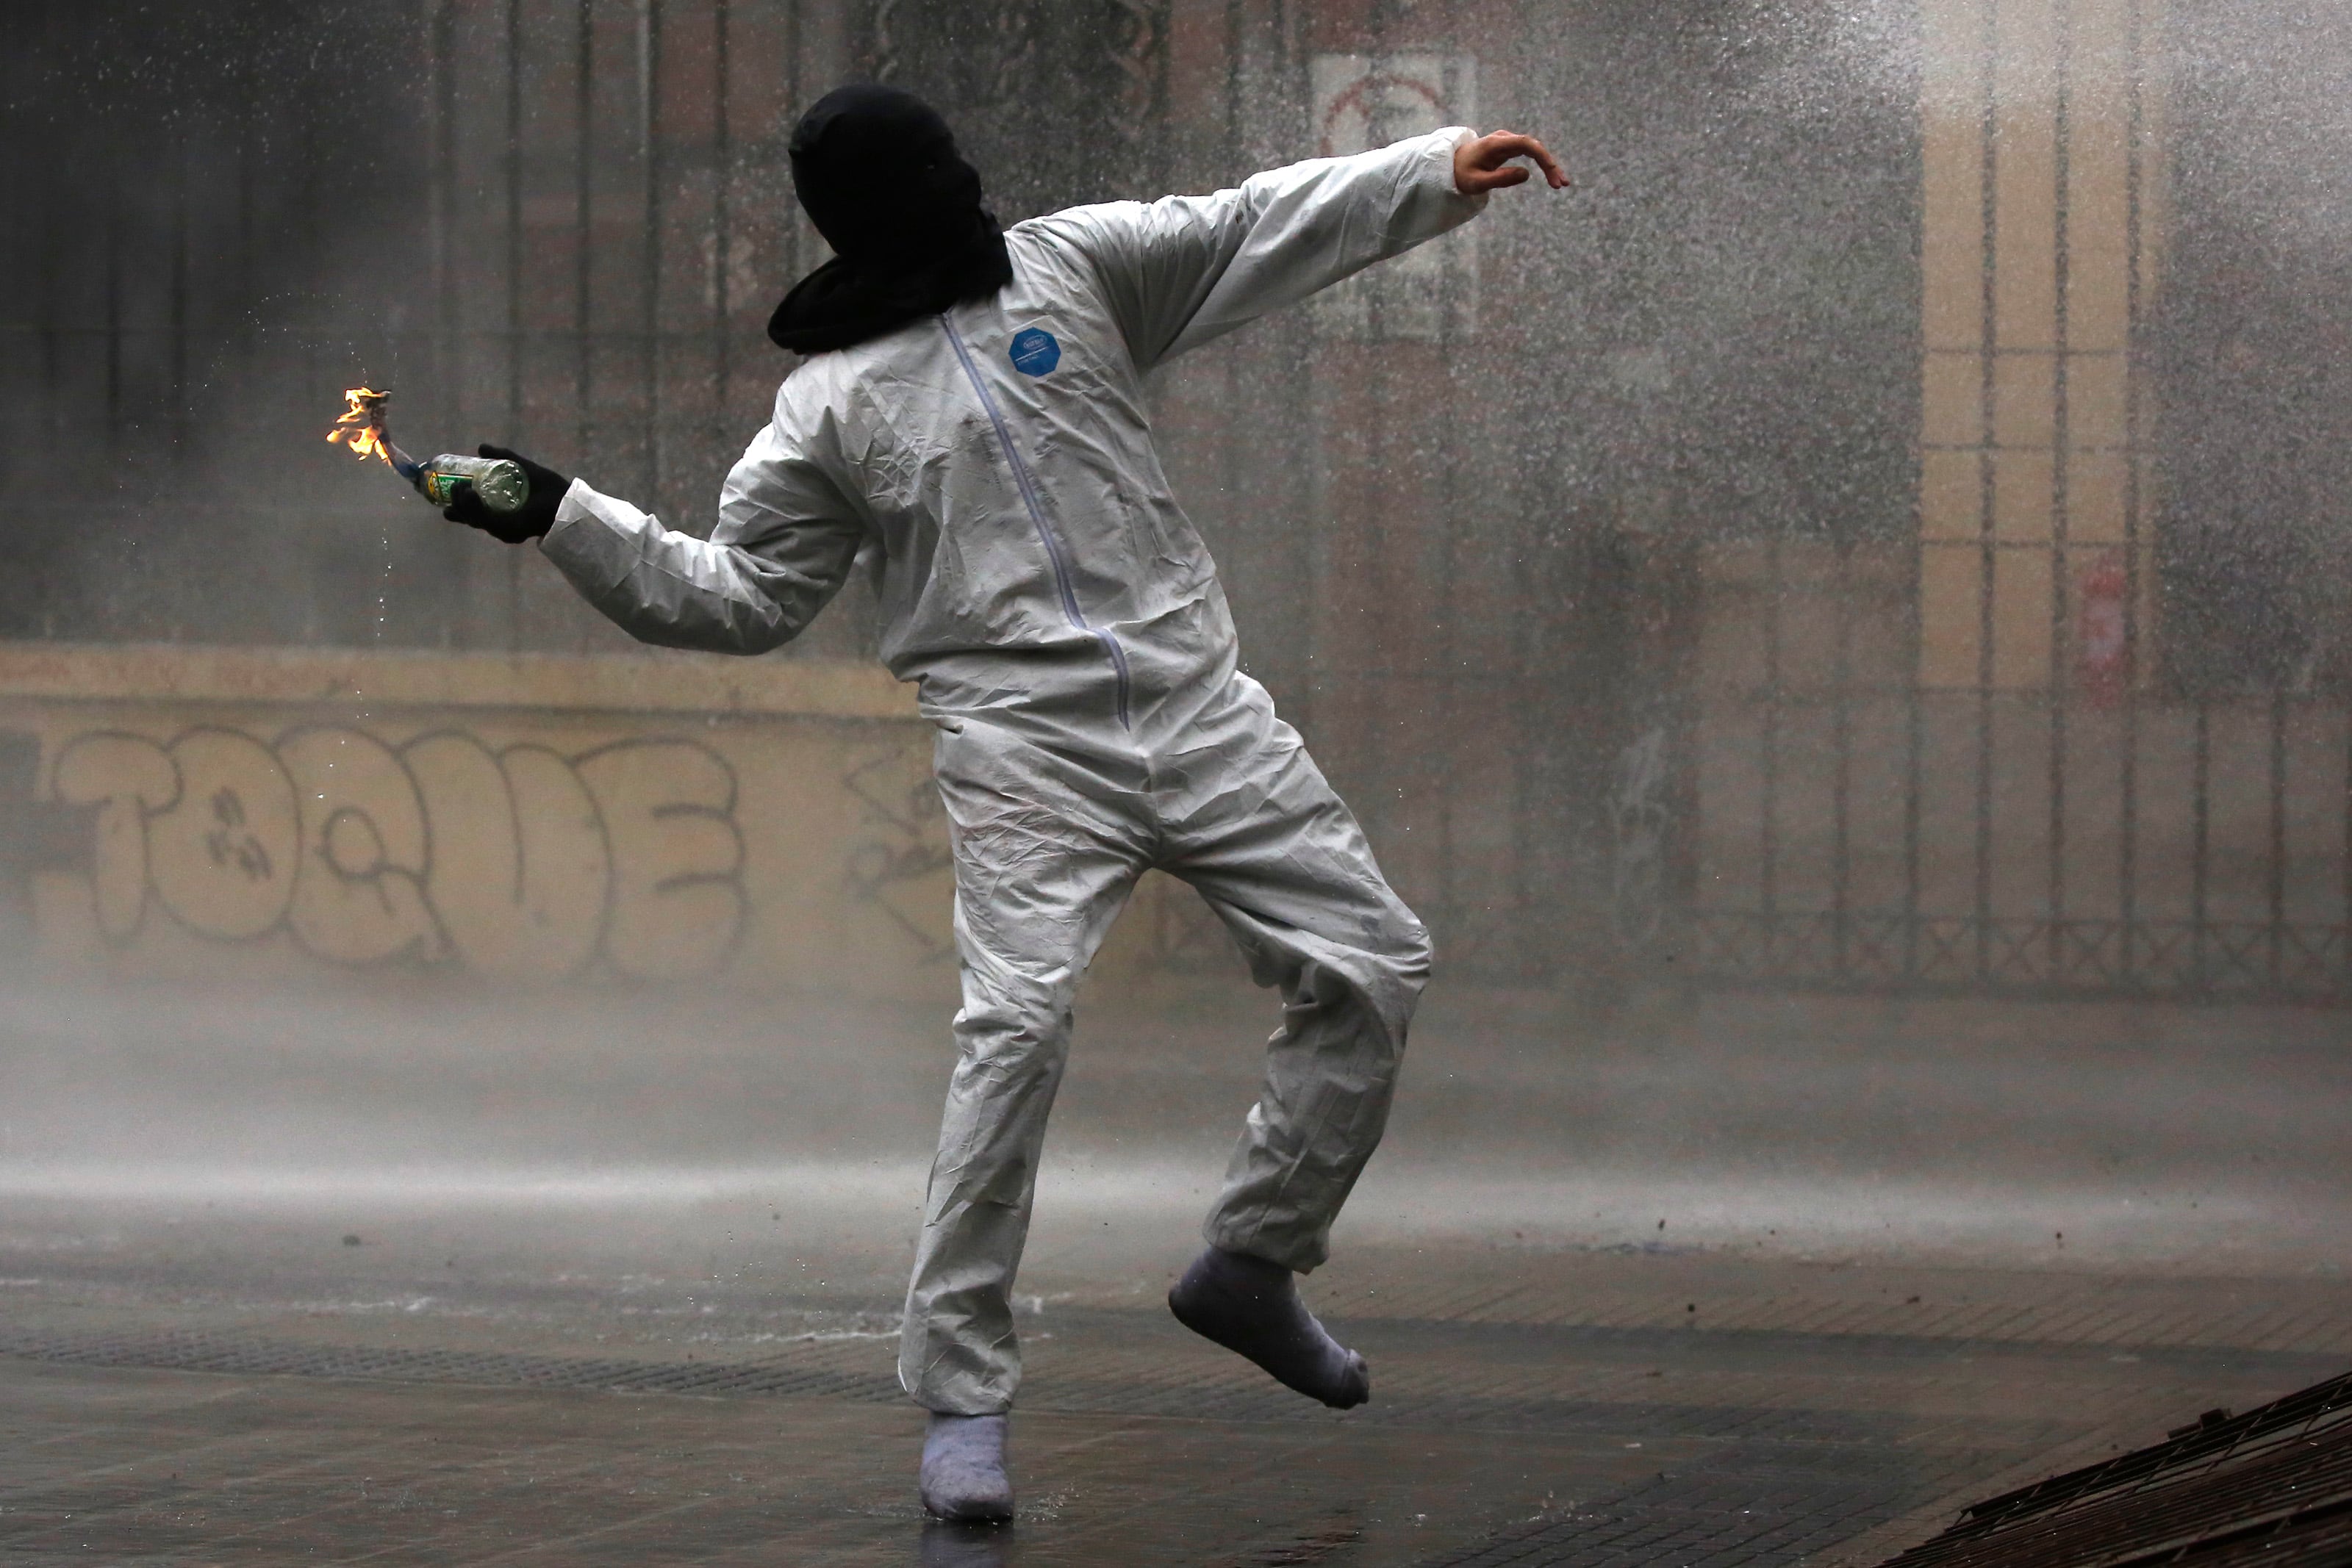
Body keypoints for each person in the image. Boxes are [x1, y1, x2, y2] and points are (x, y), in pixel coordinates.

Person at [444, 83, 1567, 1523]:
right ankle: (962, 1396)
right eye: (933, 173)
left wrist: (1430, 173)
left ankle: (1251, 1257)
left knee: (1373, 964)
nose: (966, 182)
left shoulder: (1074, 267)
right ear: (885, 205)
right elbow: (734, 594)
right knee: (1015, 1029)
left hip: (1199, 707)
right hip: (1021, 745)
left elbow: (1245, 224)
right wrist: (561, 514)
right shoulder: (831, 407)